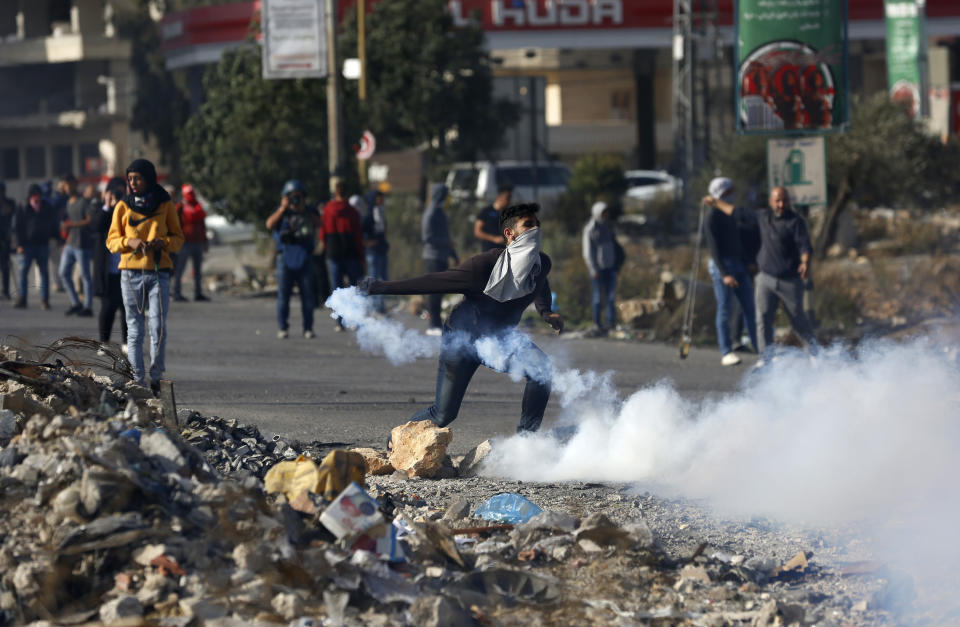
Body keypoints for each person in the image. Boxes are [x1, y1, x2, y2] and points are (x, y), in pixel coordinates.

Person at [362, 203, 563, 434]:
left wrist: (546, 311)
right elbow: (433, 282)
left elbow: (540, 282)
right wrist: (380, 287)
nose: (536, 230)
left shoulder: (541, 263)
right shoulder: (484, 266)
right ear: (510, 234)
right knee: (443, 414)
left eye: (537, 225)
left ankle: (526, 441)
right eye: (528, 225)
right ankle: (396, 441)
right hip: (461, 339)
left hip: (500, 339)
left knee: (541, 370)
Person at [707, 186, 816, 363]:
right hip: (766, 278)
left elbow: (805, 246)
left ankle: (813, 353)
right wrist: (715, 202)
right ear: (771, 201)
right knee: (762, 319)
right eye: (777, 201)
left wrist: (804, 262)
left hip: (789, 279)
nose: (781, 204)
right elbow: (735, 212)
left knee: (798, 321)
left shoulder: (795, 222)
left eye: (784, 201)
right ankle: (765, 357)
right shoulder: (763, 217)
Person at [106, 159, 184, 390]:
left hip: (158, 273)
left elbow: (178, 239)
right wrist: (129, 241)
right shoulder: (123, 206)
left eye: (137, 178)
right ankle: (138, 380)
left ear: (149, 178)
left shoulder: (164, 204)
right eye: (130, 179)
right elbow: (111, 241)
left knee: (158, 327)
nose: (133, 183)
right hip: (130, 273)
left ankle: (157, 376)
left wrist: (165, 242)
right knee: (135, 328)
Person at [701, 178, 759, 366]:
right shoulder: (712, 216)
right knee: (725, 309)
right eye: (730, 191)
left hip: (739, 265)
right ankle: (726, 351)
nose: (734, 194)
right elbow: (714, 248)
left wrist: (749, 261)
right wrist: (724, 272)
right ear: (722, 193)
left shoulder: (731, 213)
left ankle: (761, 348)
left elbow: (741, 239)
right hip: (723, 267)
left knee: (750, 308)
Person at [266, 179, 320, 339]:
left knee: (307, 295)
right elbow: (269, 224)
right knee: (283, 295)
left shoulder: (309, 211)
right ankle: (283, 327)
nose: (295, 200)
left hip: (304, 256)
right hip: (285, 256)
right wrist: (283, 208)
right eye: (292, 197)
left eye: (298, 196)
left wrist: (305, 210)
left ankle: (308, 328)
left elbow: (320, 223)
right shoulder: (281, 212)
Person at [321, 181, 364, 330]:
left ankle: (339, 322)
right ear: (347, 194)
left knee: (337, 289)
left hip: (334, 254)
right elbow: (358, 236)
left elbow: (322, 234)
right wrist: (361, 256)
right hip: (351, 253)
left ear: (335, 193)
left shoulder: (327, 210)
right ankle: (354, 321)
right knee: (353, 289)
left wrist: (329, 249)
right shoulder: (352, 212)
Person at [92, 177, 128, 348]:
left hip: (126, 268)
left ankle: (127, 343)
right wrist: (107, 205)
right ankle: (104, 342)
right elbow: (96, 226)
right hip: (108, 269)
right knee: (108, 307)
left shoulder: (129, 210)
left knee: (127, 307)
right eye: (115, 193)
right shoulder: (100, 210)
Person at [421, 183, 459, 336]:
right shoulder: (430, 213)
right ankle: (433, 324)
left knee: (440, 291)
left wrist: (454, 255)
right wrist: (445, 243)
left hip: (442, 257)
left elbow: (446, 236)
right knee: (434, 292)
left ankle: (437, 323)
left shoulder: (441, 213)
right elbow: (427, 238)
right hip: (432, 257)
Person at [13, 184, 59, 310]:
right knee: (23, 272)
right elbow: (18, 227)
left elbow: (53, 223)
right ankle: (22, 298)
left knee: (44, 273)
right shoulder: (23, 206)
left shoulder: (46, 206)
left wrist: (58, 238)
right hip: (26, 245)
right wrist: (19, 244)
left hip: (42, 244)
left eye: (38, 195)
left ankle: (44, 300)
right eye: (34, 195)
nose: (36, 198)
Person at [581, 201, 620, 335]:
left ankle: (611, 324)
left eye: (606, 213)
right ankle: (597, 323)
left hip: (610, 267)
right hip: (598, 269)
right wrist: (593, 269)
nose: (606, 215)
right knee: (597, 298)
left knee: (611, 297)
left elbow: (613, 246)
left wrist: (616, 265)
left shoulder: (608, 227)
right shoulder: (590, 229)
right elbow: (587, 252)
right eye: (603, 213)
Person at [59, 175, 95, 317]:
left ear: (74, 184)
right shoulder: (68, 202)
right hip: (71, 243)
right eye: (64, 186)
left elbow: (89, 220)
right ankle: (75, 303)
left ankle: (88, 306)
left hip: (82, 244)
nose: (65, 188)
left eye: (67, 185)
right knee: (63, 273)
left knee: (85, 276)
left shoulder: (83, 201)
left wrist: (71, 225)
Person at [173, 183, 209, 302]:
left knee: (197, 270)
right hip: (185, 243)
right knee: (180, 269)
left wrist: (205, 241)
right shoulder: (181, 207)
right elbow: (174, 223)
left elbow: (202, 225)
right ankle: (177, 293)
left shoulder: (198, 207)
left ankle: (198, 293)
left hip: (198, 242)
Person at [361, 189, 389, 314]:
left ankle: (380, 306)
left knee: (383, 278)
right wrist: (368, 242)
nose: (381, 200)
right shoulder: (368, 215)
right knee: (374, 279)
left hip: (381, 251)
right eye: (378, 197)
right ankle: (373, 306)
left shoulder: (381, 212)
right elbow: (361, 233)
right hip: (372, 252)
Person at [473, 182, 512, 251]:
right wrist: (494, 239)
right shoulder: (486, 212)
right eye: (507, 198)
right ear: (500, 197)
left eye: (510, 198)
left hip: (504, 251)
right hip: (489, 250)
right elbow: (477, 231)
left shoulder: (508, 214)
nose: (509, 201)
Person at [0, 182, 14, 299]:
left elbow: (11, 214)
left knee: (5, 266)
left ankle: (6, 290)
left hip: (5, 238)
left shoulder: (9, 202)